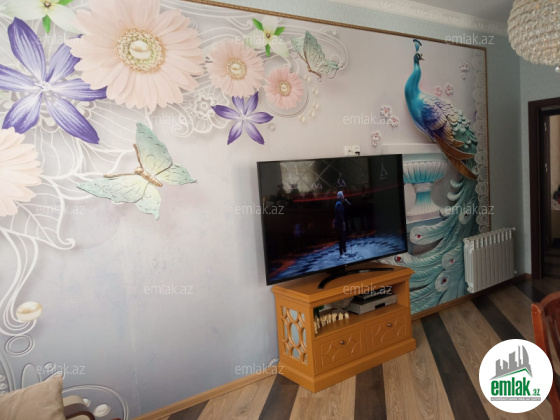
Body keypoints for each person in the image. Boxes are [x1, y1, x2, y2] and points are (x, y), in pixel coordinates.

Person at [334, 191, 347, 257]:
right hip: (340, 224)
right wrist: (343, 222)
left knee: (341, 237)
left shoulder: (338, 204)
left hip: (339, 224)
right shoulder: (339, 205)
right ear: (341, 197)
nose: (343, 197)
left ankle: (343, 250)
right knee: (342, 237)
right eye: (342, 195)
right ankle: (342, 251)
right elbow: (340, 215)